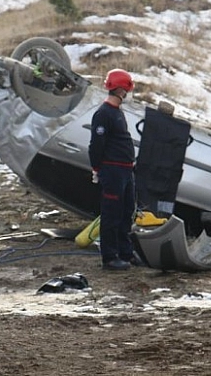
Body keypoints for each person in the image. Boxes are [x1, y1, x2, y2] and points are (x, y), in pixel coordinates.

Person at [88, 69, 140, 271]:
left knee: (127, 212)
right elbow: (96, 144)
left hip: (126, 171)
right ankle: (109, 257)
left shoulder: (117, 112)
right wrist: (96, 168)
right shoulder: (103, 114)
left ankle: (125, 252)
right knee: (112, 214)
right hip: (113, 171)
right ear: (121, 90)